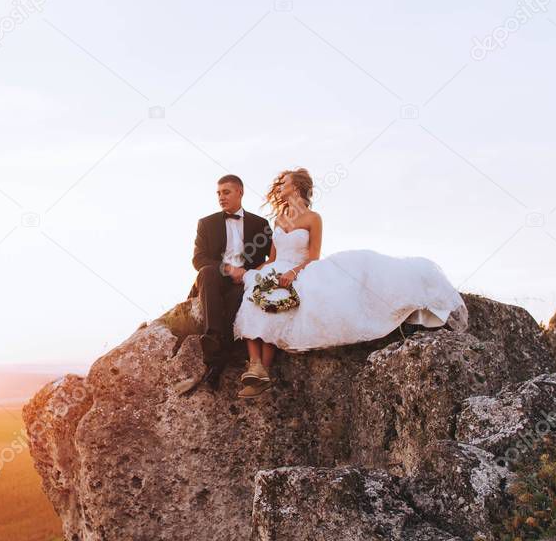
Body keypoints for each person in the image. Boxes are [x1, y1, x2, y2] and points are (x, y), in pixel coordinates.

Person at [233, 168, 468, 398]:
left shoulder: (313, 218)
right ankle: (255, 366)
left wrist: (294, 272)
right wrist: (249, 272)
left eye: (284, 182)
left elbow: (313, 256)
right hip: (277, 269)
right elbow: (273, 259)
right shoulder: (279, 219)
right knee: (254, 296)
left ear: (296, 186)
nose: (280, 186)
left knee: (279, 307)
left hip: (299, 269)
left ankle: (261, 372)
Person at [176, 174, 273, 396]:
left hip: (245, 281)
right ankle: (213, 339)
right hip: (215, 278)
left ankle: (214, 362)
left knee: (236, 299)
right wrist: (229, 269)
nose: (221, 197)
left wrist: (248, 273)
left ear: (240, 192)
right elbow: (198, 259)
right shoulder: (206, 223)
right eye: (218, 193)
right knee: (207, 271)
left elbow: (272, 257)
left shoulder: (260, 224)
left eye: (226, 192)